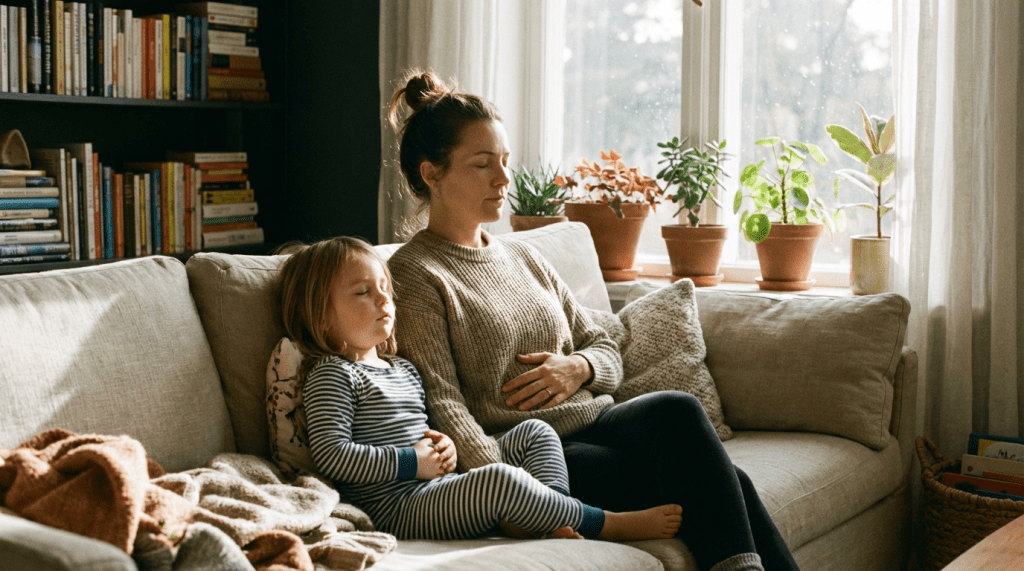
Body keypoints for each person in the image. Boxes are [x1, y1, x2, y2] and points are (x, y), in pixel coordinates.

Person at [385, 70, 800, 571]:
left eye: (505, 162)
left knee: (676, 410)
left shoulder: (522, 257)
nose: (504, 179)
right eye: (482, 165)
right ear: (432, 174)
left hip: (598, 418)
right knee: (728, 482)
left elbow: (604, 339)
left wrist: (577, 367)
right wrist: (509, 490)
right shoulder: (414, 273)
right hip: (538, 452)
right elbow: (443, 402)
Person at [277, 235, 683, 542]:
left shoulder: (401, 368)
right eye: (363, 293)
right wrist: (411, 462)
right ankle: (601, 522)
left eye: (385, 288)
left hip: (433, 486)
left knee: (535, 434)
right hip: (396, 506)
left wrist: (446, 450)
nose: (383, 300)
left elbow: (430, 431)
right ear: (320, 316)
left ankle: (546, 521)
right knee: (500, 480)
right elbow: (333, 456)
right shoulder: (332, 374)